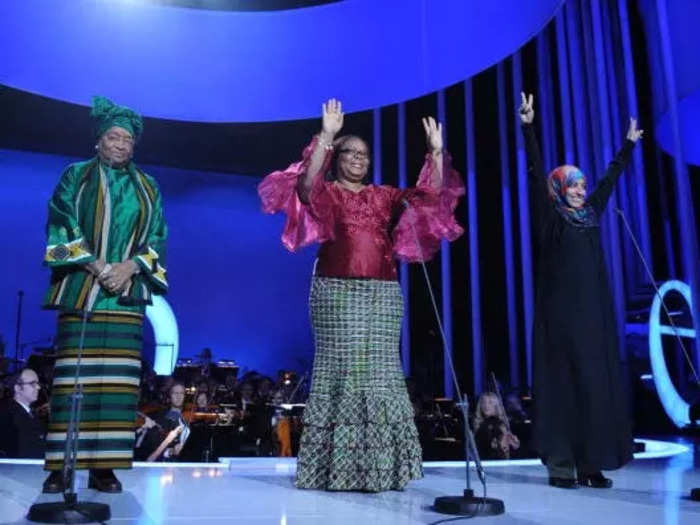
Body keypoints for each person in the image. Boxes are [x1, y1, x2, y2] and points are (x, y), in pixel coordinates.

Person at [258, 98, 464, 491]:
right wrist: (328, 136)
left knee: (381, 376)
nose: (357, 159)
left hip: (384, 294)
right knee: (345, 375)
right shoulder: (329, 193)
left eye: (364, 155)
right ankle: (335, 467)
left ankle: (382, 468)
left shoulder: (383, 196)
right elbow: (304, 185)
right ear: (337, 158)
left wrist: (436, 153)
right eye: (349, 152)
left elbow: (429, 198)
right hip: (335, 291)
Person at [41, 96, 168, 493]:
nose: (120, 145)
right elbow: (61, 223)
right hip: (82, 288)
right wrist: (98, 268)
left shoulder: (147, 186)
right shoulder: (75, 176)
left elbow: (157, 237)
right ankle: (61, 466)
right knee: (73, 382)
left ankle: (104, 467)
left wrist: (129, 268)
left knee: (116, 387)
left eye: (128, 140)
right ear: (98, 140)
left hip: (125, 295)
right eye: (113, 137)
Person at [519, 93, 643, 489]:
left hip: (593, 315)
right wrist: (528, 128)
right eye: (572, 184)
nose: (579, 189)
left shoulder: (591, 213)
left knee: (593, 384)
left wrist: (627, 146)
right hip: (559, 317)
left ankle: (591, 463)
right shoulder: (551, 216)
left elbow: (609, 180)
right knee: (563, 385)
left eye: (581, 184)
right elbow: (538, 172)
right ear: (560, 188)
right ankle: (561, 464)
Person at [0, 368, 45, 458]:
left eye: (38, 383)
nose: (38, 387)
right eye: (33, 384)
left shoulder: (32, 413)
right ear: (17, 388)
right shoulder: (7, 414)